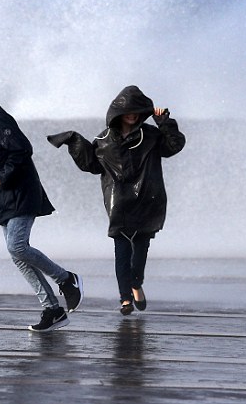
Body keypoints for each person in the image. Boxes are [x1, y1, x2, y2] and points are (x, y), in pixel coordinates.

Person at [0, 77, 83, 332]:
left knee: (17, 246)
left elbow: (22, 150)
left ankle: (67, 279)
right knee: (17, 254)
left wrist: (2, 176)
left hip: (20, 193)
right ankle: (53, 310)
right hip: (5, 199)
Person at [48, 85, 185, 315]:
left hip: (147, 200)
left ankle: (136, 284)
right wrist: (72, 140)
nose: (132, 115)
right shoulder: (103, 140)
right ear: (116, 113)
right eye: (127, 111)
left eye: (136, 110)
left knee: (139, 255)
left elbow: (175, 145)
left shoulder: (150, 135)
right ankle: (125, 299)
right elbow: (90, 165)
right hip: (118, 202)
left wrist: (164, 122)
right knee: (121, 252)